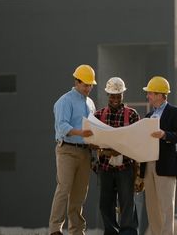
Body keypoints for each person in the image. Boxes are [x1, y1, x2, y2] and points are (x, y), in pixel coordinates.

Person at [49, 64, 97, 235]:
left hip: (85, 152)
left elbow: (94, 127)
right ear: (76, 82)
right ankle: (55, 229)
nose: (89, 88)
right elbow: (62, 126)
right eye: (85, 84)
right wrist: (81, 132)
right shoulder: (65, 101)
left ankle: (77, 231)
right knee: (64, 189)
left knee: (79, 194)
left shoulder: (90, 103)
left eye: (91, 85)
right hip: (67, 150)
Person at [94, 77, 140, 235]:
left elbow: (137, 142)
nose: (115, 99)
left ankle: (128, 232)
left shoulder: (132, 115)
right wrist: (105, 151)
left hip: (125, 167)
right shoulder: (98, 115)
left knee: (127, 202)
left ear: (123, 95)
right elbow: (92, 142)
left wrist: (121, 149)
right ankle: (111, 232)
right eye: (112, 96)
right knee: (105, 204)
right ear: (108, 95)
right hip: (105, 167)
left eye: (118, 95)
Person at [141, 76, 177, 235]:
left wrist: (164, 134)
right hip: (149, 165)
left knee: (166, 207)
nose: (148, 96)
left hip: (165, 166)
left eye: (150, 93)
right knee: (152, 208)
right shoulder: (147, 117)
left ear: (160, 94)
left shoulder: (175, 112)